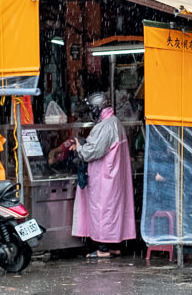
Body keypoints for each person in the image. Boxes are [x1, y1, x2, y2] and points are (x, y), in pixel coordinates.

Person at [71, 92, 136, 258]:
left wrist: (80, 147)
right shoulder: (115, 123)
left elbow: (92, 152)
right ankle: (115, 246)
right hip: (114, 177)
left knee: (102, 211)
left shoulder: (105, 126)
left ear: (97, 109)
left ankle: (103, 249)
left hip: (104, 178)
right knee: (113, 211)